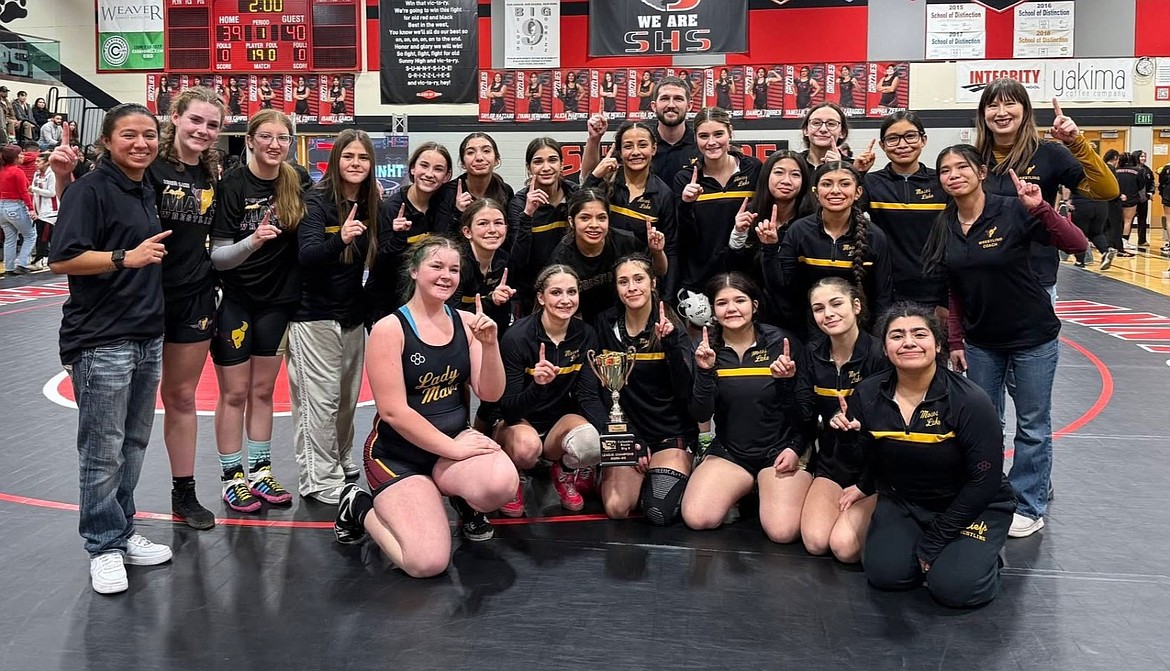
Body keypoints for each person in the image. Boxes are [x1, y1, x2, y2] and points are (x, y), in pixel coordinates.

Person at [922, 144, 1087, 539]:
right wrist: (957, 341)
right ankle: (989, 493)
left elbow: (1077, 244)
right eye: (945, 170)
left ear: (981, 172)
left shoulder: (1012, 208)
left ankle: (1030, 504)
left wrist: (1040, 208)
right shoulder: (946, 223)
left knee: (1032, 424)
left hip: (1031, 336)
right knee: (984, 422)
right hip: (981, 341)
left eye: (962, 167)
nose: (953, 175)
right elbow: (955, 290)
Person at [331, 236, 518, 574]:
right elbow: (393, 412)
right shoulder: (391, 328)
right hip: (397, 454)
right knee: (426, 563)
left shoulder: (467, 322)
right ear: (414, 271)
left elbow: (490, 393)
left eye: (454, 269)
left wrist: (490, 347)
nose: (446, 275)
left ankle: (461, 498)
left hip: (449, 447)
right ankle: (358, 506)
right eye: (436, 266)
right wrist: (455, 450)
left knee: (501, 484)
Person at [48, 103, 175, 594]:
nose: (141, 143)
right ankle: (102, 546)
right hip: (102, 340)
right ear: (107, 141)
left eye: (148, 134)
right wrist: (128, 257)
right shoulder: (89, 189)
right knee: (102, 451)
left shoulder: (145, 186)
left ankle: (120, 532)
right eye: (129, 135)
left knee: (133, 444)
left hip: (147, 335)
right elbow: (63, 259)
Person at [835, 304, 1016, 607]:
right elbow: (861, 460)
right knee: (885, 577)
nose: (908, 342)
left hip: (971, 506)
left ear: (938, 344)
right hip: (906, 501)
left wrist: (935, 540)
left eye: (919, 334)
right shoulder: (868, 394)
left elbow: (984, 482)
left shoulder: (969, 401)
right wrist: (848, 440)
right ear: (885, 347)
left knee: (955, 589)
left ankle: (983, 557)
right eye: (897, 336)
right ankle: (942, 553)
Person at [209, 109, 306, 513]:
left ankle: (261, 471)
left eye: (282, 138)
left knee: (264, 391)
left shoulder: (296, 179)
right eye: (265, 136)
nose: (274, 144)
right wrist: (254, 241)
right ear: (249, 140)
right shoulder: (232, 184)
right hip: (236, 300)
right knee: (234, 393)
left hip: (277, 302)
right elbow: (217, 257)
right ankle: (233, 477)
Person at [681, 272, 809, 541]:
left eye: (739, 300)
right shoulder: (705, 349)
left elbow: (806, 412)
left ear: (755, 305)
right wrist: (704, 372)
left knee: (782, 532)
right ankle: (744, 488)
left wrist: (796, 447)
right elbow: (701, 413)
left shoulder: (782, 344)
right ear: (713, 311)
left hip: (780, 450)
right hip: (732, 452)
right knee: (697, 518)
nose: (732, 309)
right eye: (722, 303)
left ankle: (765, 488)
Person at [289, 129, 378, 505]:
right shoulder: (317, 200)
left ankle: (339, 459)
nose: (356, 164)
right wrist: (339, 238)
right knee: (319, 401)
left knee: (344, 398)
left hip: (351, 314)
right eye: (349, 157)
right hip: (314, 315)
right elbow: (306, 258)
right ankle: (318, 477)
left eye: (362, 157)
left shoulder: (372, 202)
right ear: (336, 160)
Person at [973, 80, 1117, 302]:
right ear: (983, 114)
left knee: (1039, 338)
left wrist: (1077, 143)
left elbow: (1107, 190)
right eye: (992, 106)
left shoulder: (1049, 154)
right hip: (978, 276)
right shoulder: (971, 159)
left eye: (1009, 104)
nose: (1001, 112)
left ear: (1025, 110)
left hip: (1034, 277)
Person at [496, 265, 606, 514]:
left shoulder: (586, 334)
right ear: (541, 297)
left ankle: (563, 471)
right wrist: (537, 385)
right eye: (556, 292)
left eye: (572, 292)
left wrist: (613, 433)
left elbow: (588, 395)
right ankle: (515, 474)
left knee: (593, 442)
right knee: (526, 447)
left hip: (558, 424)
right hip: (518, 422)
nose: (566, 300)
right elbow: (509, 409)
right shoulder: (517, 338)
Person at [793, 277, 889, 562]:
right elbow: (804, 416)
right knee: (815, 542)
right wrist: (788, 384)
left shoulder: (880, 355)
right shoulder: (811, 354)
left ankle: (884, 507)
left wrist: (864, 486)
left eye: (836, 304)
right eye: (819, 308)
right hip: (833, 464)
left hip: (876, 471)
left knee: (845, 550)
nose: (828, 314)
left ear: (856, 306)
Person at [594, 256, 695, 525]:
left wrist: (671, 345)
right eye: (623, 282)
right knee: (617, 508)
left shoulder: (671, 324)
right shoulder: (605, 324)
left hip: (669, 432)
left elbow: (687, 392)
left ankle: (681, 468)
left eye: (638, 279)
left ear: (652, 283)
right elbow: (604, 390)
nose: (632, 288)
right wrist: (631, 440)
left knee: (658, 511)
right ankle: (617, 472)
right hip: (629, 432)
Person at [769, 161, 893, 339]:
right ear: (816, 192)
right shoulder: (799, 231)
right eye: (827, 184)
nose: (835, 190)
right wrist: (769, 248)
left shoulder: (875, 236)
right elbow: (783, 287)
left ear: (858, 192)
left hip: (860, 333)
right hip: (807, 333)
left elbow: (883, 296)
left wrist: (878, 341)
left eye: (845, 184)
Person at [673, 107, 762, 298]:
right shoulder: (685, 178)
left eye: (718, 134)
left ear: (730, 132)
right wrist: (686, 205)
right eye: (704, 136)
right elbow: (685, 238)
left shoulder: (753, 168)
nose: (711, 142)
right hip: (700, 279)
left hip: (745, 277)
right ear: (695, 138)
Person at [862, 111, 947, 309]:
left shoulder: (941, 182)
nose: (902, 145)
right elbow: (845, 211)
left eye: (910, 136)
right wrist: (857, 172)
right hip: (886, 292)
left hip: (934, 293)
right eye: (893, 139)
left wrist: (945, 300)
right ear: (882, 145)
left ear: (923, 139)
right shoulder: (870, 183)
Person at [583, 120, 678, 294]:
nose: (636, 152)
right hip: (599, 281)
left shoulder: (664, 195)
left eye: (642, 145)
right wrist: (595, 176)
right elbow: (578, 209)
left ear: (654, 149)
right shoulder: (605, 182)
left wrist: (667, 296)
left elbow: (669, 249)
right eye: (628, 146)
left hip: (636, 287)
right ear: (620, 151)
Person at [366, 141, 452, 327]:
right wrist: (398, 238)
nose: (429, 174)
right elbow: (378, 264)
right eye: (424, 165)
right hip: (389, 304)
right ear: (412, 169)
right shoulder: (391, 209)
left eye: (438, 169)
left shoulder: (443, 207)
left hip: (426, 303)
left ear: (446, 176)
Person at [551, 187, 667, 323]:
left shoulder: (626, 242)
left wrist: (657, 251)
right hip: (585, 323)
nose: (594, 225)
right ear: (571, 221)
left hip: (627, 317)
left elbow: (659, 271)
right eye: (585, 218)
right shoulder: (561, 257)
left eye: (601, 218)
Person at [744, 149, 814, 332]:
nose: (786, 181)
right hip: (758, 318)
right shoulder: (750, 215)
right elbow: (738, 272)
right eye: (779, 172)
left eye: (795, 175)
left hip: (803, 318)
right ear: (766, 176)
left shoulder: (813, 221)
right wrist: (737, 236)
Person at [582, 76, 699, 185]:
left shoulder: (701, 144)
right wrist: (594, 139)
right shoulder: (637, 141)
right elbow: (589, 180)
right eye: (664, 99)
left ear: (689, 106)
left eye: (678, 99)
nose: (671, 105)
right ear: (654, 106)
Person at [507, 137, 576, 312]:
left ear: (562, 164)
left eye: (552, 160)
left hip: (571, 290)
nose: (546, 167)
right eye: (538, 161)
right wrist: (527, 214)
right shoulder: (518, 203)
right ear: (529, 168)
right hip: (533, 295)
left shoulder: (575, 194)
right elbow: (517, 261)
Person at [434, 132, 514, 233]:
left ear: (496, 159)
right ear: (462, 163)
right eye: (470, 152)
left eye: (486, 151)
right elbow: (441, 238)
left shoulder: (505, 191)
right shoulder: (447, 192)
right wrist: (458, 212)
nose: (479, 158)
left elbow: (510, 234)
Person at [0, 144, 35, 277]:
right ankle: (22, 264)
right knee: (30, 235)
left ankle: (9, 268)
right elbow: (24, 191)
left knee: (10, 238)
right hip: (15, 206)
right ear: (14, 157)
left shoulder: (2, 170)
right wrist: (31, 208)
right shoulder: (17, 171)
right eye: (20, 154)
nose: (23, 156)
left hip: (2, 206)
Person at [29, 152, 57, 269]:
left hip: (50, 212)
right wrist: (33, 209)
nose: (36, 164)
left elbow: (52, 193)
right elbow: (33, 193)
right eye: (36, 161)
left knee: (43, 237)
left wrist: (34, 189)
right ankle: (48, 257)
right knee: (48, 236)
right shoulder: (36, 174)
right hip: (40, 211)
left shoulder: (52, 174)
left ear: (47, 162)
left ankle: (39, 260)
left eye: (39, 161)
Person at [1115, 151, 1146, 251]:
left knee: (1117, 221)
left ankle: (1115, 241)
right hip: (1131, 199)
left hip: (1117, 198)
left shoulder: (1115, 170)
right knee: (1128, 221)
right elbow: (1141, 186)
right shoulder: (1137, 171)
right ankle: (1124, 241)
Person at [1136, 150, 1155, 248]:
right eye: (1141, 156)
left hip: (1144, 199)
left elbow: (1152, 182)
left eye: (1144, 156)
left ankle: (1142, 240)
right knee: (1127, 220)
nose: (1143, 158)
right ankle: (1124, 239)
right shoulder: (1133, 169)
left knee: (1142, 219)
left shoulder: (1147, 170)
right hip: (1133, 199)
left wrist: (1151, 192)